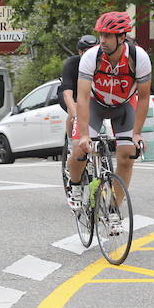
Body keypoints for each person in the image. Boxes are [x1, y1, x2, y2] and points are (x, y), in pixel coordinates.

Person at [66, 12, 151, 212]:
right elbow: (83, 97)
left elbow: (144, 97)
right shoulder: (90, 57)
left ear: (122, 37)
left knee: (127, 157)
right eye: (101, 35)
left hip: (124, 106)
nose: (102, 40)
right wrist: (84, 135)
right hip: (95, 104)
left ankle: (113, 211)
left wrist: (137, 134)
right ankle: (75, 184)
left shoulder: (139, 58)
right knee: (79, 148)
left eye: (108, 36)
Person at [59, 33, 98, 195]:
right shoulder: (72, 64)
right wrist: (76, 116)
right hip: (72, 95)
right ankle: (71, 143)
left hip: (89, 95)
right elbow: (67, 95)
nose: (91, 55)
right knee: (74, 109)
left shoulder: (101, 63)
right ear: (80, 52)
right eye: (87, 51)